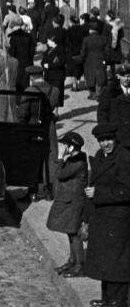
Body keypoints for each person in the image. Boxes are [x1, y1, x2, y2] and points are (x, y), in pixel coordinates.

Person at [85, 123, 130, 307]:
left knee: (117, 264)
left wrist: (99, 193)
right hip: (102, 218)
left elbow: (127, 190)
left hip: (118, 220)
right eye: (102, 140)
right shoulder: (99, 156)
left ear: (115, 139)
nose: (106, 144)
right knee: (105, 262)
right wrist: (86, 218)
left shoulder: (124, 158)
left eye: (109, 140)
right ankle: (107, 300)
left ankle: (118, 302)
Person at [48, 131, 88, 278]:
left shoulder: (77, 162)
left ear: (71, 147)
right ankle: (72, 261)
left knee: (74, 233)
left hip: (73, 202)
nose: (63, 147)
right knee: (70, 232)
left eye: (65, 145)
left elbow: (59, 174)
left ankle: (78, 265)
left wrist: (60, 158)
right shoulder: (74, 159)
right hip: (68, 200)